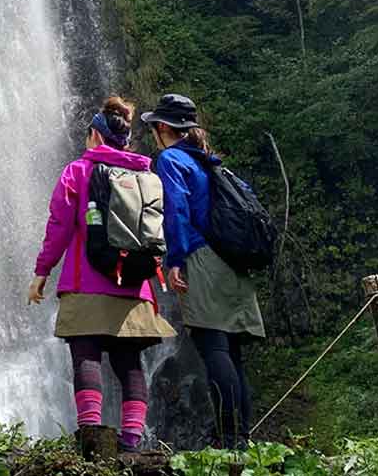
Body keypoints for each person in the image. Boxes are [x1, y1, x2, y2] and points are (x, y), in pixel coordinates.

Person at [28, 96, 175, 453]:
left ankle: (92, 438)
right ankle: (130, 443)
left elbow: (60, 225)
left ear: (95, 134)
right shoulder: (146, 175)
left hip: (86, 282)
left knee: (87, 355)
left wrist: (42, 272)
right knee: (129, 363)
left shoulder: (78, 171)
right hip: (135, 286)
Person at [142, 93, 265, 449]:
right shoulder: (211, 163)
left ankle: (229, 438)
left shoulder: (170, 159)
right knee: (231, 351)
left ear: (163, 127)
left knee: (212, 345)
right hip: (231, 261)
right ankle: (241, 436)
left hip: (201, 257)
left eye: (154, 126)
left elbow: (176, 209)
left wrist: (175, 258)